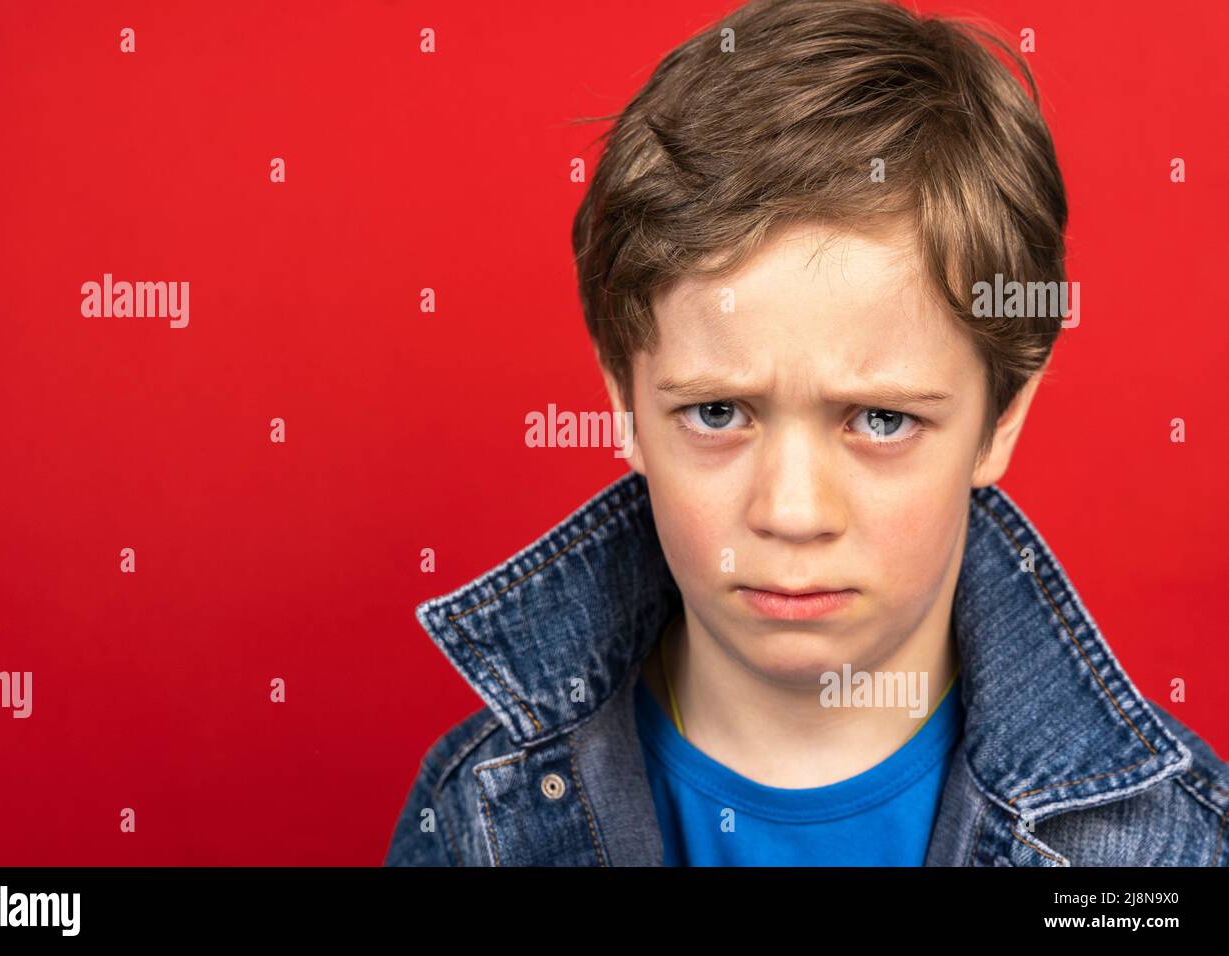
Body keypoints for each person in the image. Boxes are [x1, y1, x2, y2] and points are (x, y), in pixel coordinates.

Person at [384, 0, 1229, 866]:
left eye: (882, 419)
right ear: (624, 404)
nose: (791, 512)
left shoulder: (1174, 851)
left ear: (1001, 418)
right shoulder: (476, 820)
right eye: (718, 413)